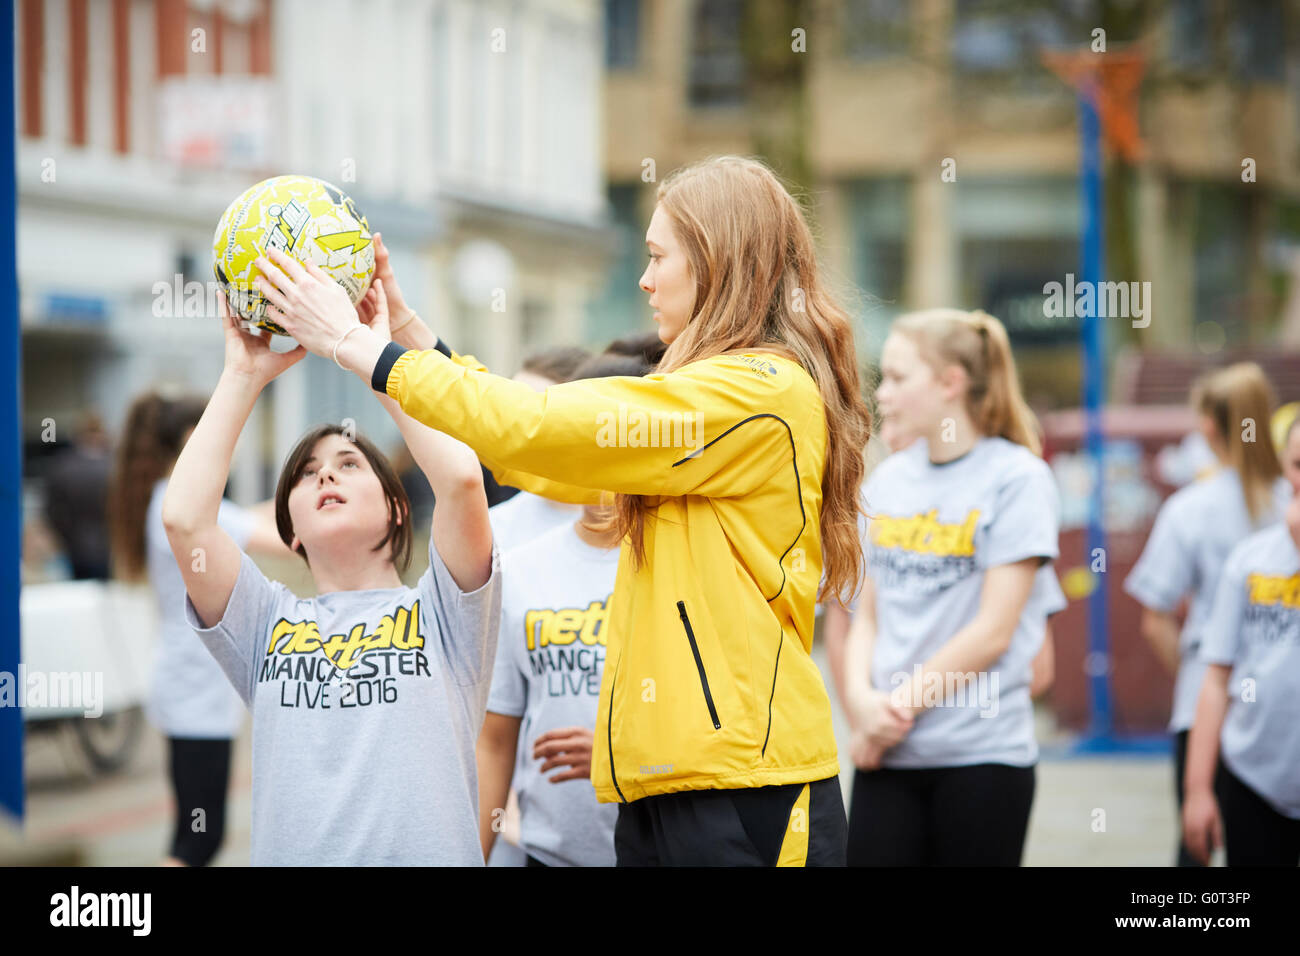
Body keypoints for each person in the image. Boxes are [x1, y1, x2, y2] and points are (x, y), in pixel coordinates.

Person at [259, 155, 872, 866]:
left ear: (716, 260)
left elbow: (538, 426)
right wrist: (406, 332)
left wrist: (356, 344)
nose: (643, 280)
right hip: (671, 787)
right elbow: (538, 454)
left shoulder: (759, 391)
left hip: (744, 789)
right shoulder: (718, 394)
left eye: (656, 256)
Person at [162, 285, 500, 865]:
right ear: (290, 530)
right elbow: (185, 522)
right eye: (306, 474)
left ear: (396, 509)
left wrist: (372, 356)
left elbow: (463, 480)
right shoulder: (264, 622)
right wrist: (242, 376)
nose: (325, 478)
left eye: (349, 465)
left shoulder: (445, 611)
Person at [841, 308, 1060, 867]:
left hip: (980, 758)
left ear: (950, 383)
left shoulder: (1018, 478)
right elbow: (868, 616)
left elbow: (993, 631)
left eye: (896, 377)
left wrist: (890, 715)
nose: (881, 392)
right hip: (887, 757)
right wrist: (861, 705)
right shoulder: (887, 481)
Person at [478, 350, 654, 868]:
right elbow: (493, 741)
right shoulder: (521, 568)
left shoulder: (683, 563)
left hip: (664, 848)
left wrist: (622, 753)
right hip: (548, 854)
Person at [107, 391, 290, 867]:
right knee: (198, 840)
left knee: (193, 832)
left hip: (187, 685)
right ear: (189, 440)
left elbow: (248, 518)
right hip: (195, 691)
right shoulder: (184, 509)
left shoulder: (169, 502)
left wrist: (304, 490)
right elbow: (280, 539)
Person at [1124, 362, 1287, 867]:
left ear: (1210, 426)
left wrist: (1201, 681)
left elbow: (1156, 618)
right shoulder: (1289, 502)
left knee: (1196, 850)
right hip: (1283, 710)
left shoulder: (1190, 510)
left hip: (1205, 706)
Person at [1182, 418, 1300, 867]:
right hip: (1254, 781)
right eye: (1298, 464)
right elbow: (1216, 679)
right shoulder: (1251, 561)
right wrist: (1197, 791)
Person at [45, 413, 113, 580]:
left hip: (75, 547)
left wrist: (65, 537)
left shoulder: (62, 466)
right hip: (110, 546)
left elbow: (52, 512)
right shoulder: (115, 467)